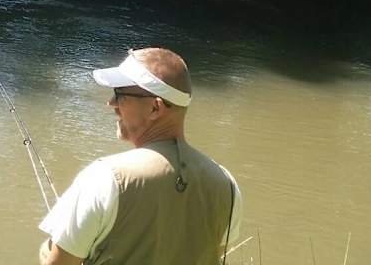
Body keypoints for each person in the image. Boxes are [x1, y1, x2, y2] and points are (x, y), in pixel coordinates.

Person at [38, 48, 242, 265]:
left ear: (155, 107)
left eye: (120, 94)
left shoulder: (104, 177)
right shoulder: (227, 184)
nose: (111, 103)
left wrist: (47, 250)